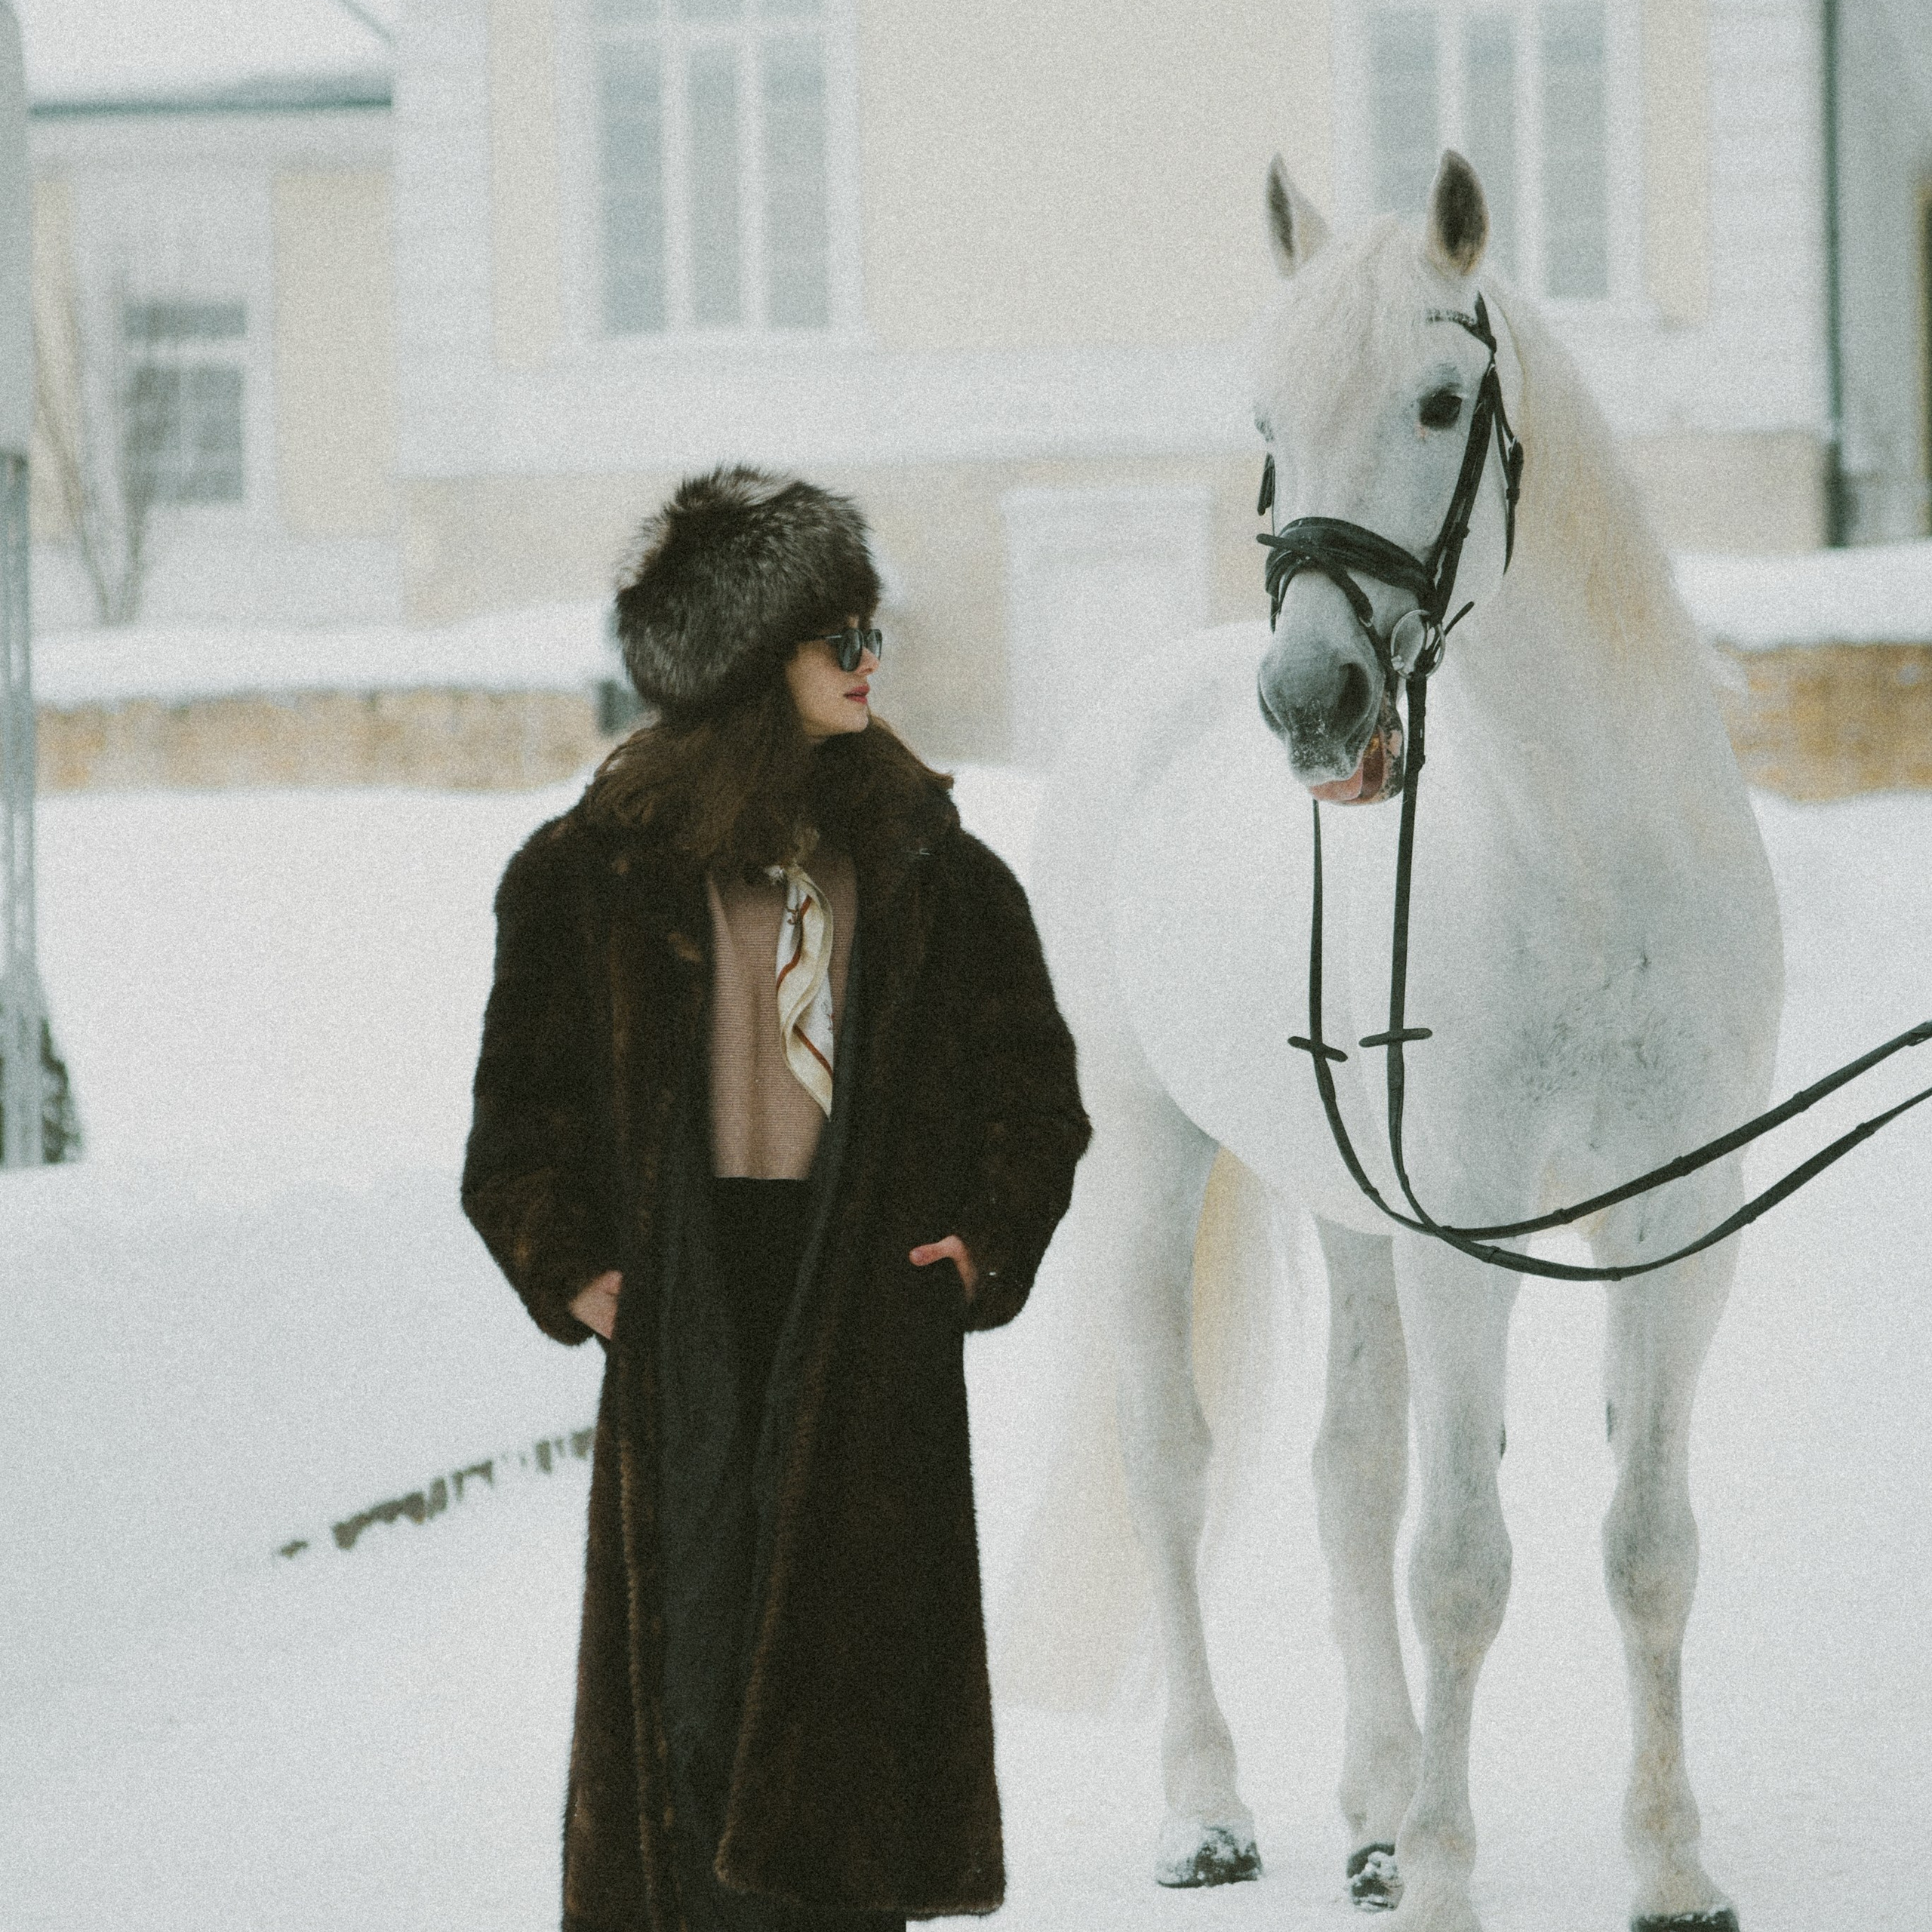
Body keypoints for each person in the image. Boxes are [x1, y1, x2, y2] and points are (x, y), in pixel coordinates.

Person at [462, 466, 1091, 1932]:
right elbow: (516, 1128)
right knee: (695, 1672)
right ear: (753, 665)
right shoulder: (585, 878)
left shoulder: (937, 870)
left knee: (845, 1700)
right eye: (835, 638)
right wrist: (572, 1267)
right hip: (690, 1308)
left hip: (865, 1307)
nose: (869, 660)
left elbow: (1036, 1101)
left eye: (869, 629)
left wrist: (981, 1243)